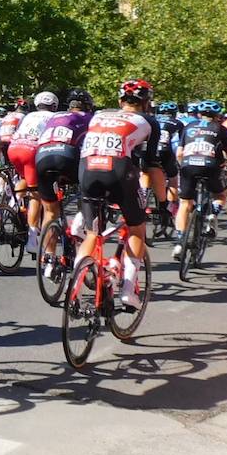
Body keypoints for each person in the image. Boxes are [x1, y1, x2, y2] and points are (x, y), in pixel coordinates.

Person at [74, 79, 163, 310]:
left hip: (87, 169)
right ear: (146, 102)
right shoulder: (149, 121)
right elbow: (151, 166)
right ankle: (128, 290)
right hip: (118, 171)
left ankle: (76, 281)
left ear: (119, 100)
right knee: (136, 227)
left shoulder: (99, 115)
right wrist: (163, 203)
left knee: (92, 233)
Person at [33, 89, 93, 267]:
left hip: (42, 156)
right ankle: (80, 222)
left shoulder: (55, 117)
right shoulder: (89, 117)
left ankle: (49, 258)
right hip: (66, 155)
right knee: (89, 191)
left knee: (50, 211)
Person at [172, 99, 227, 258]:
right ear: (217, 115)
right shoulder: (221, 129)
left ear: (199, 114)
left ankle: (180, 242)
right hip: (210, 165)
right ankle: (213, 213)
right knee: (220, 194)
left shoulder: (189, 127)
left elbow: (179, 153)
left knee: (185, 203)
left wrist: (183, 167)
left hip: (188, 164)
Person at [6, 91, 58, 254]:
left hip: (14, 149)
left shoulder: (28, 116)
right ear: (54, 106)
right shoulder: (55, 117)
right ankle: (32, 237)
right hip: (32, 151)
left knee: (26, 180)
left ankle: (12, 203)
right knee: (37, 194)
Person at [145, 100, 183, 226]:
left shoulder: (152, 120)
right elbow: (178, 144)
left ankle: (144, 194)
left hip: (150, 151)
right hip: (165, 151)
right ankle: (170, 208)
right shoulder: (177, 123)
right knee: (173, 177)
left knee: (146, 171)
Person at [0, 100, 25, 165]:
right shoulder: (23, 116)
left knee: (7, 163)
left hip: (2, 140)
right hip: (12, 142)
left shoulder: (7, 116)